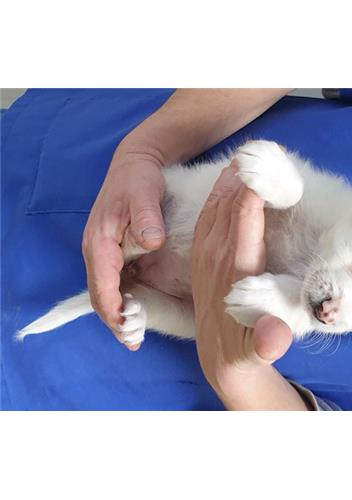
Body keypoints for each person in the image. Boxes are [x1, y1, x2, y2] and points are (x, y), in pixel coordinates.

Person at [82, 89, 338, 410]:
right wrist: (146, 150)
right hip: (125, 146)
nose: (335, 315)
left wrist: (239, 378)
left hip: (119, 362)